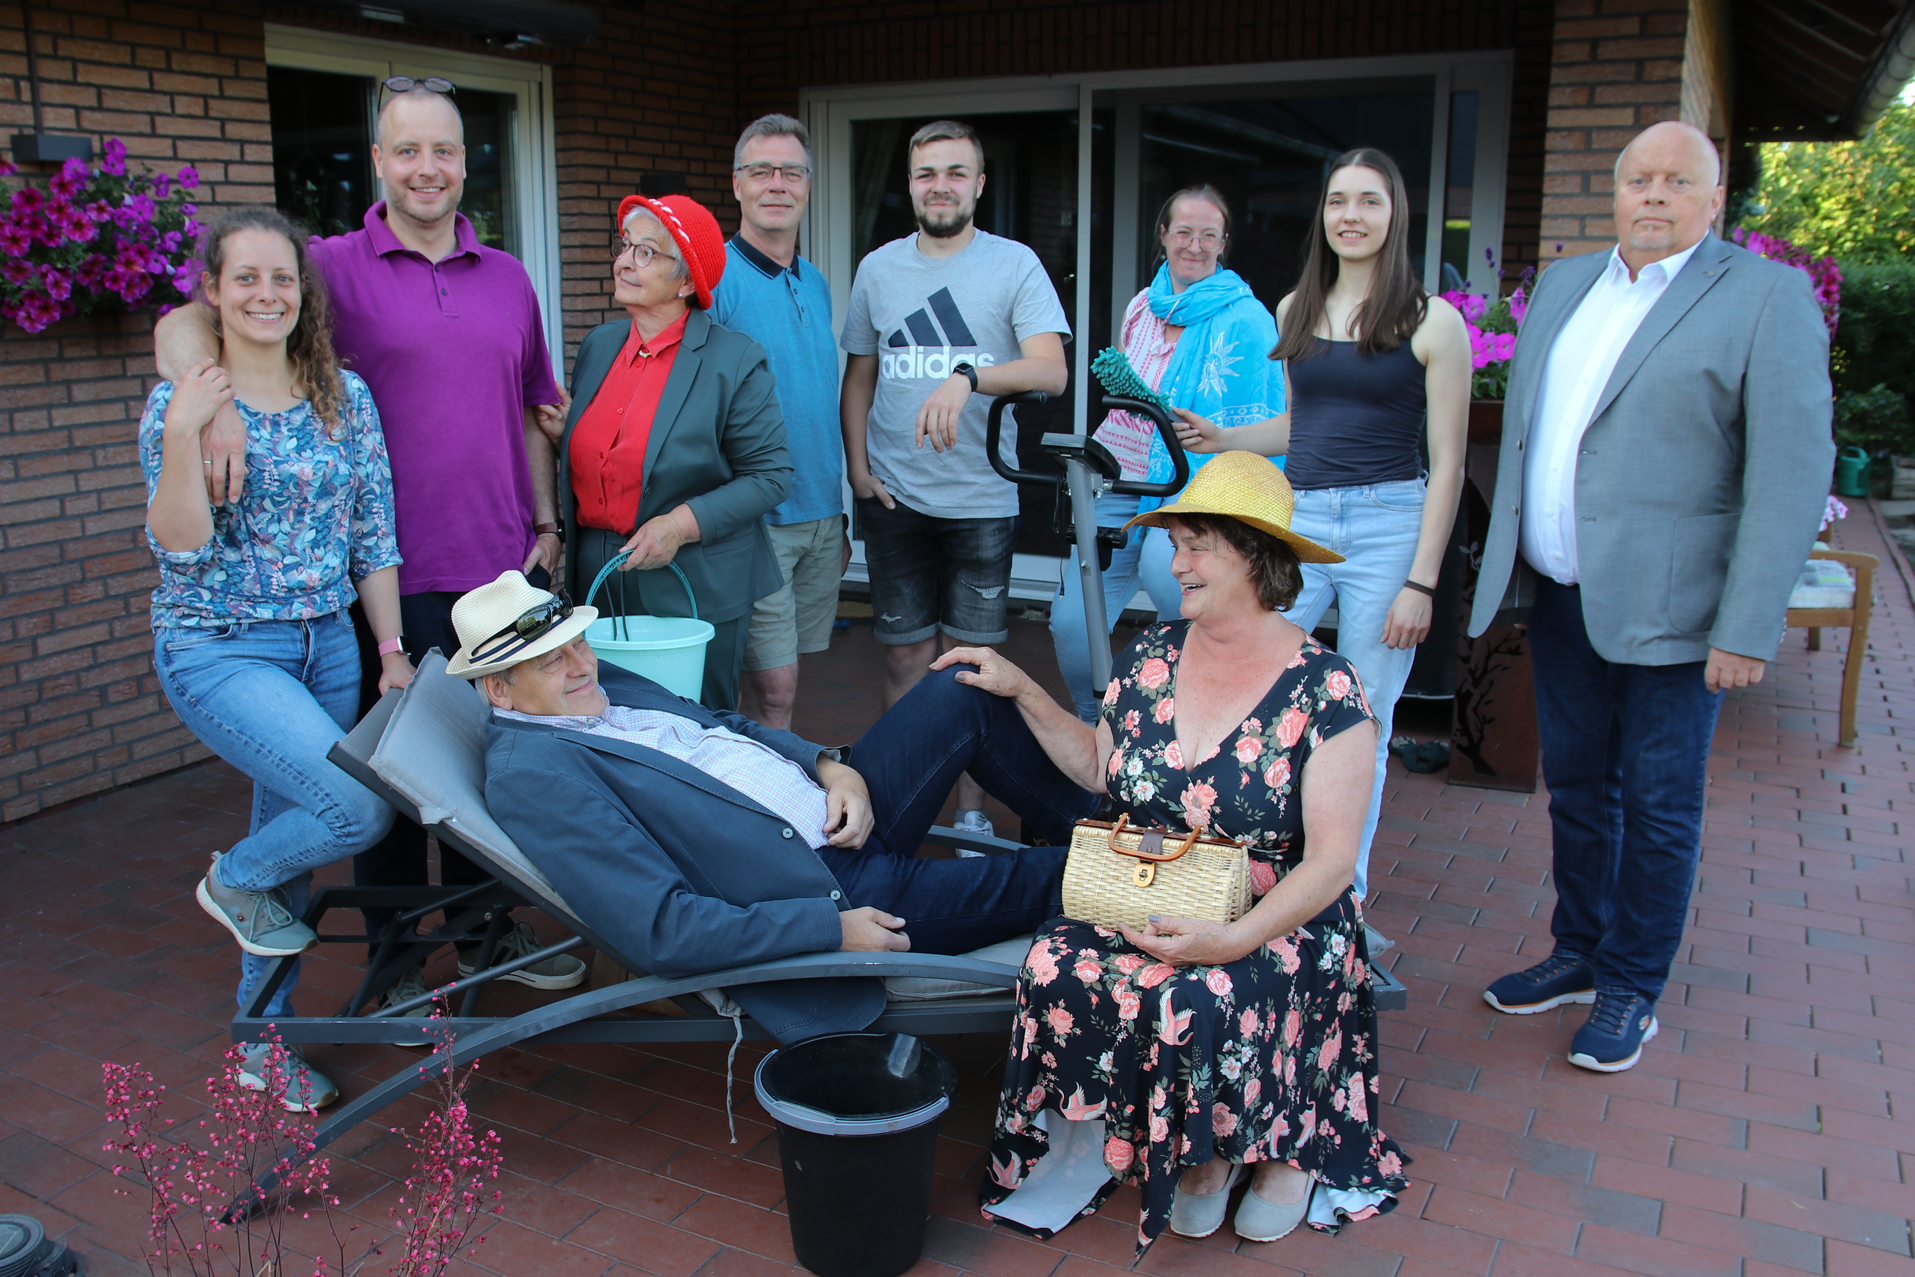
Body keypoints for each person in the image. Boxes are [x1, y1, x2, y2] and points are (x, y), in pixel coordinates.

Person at [152, 78, 585, 1007]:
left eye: (444, 150)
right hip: (375, 579)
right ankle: (394, 958)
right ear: (379, 160)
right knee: (389, 784)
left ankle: (484, 928)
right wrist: (207, 403)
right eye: (407, 150)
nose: (427, 168)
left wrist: (547, 526)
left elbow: (530, 411)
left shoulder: (508, 278)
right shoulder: (327, 267)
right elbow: (194, 316)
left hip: (500, 570)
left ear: (465, 162)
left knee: (493, 765)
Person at [968, 452, 1407, 1250]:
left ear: (1256, 555)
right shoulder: (1151, 653)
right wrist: (1023, 689)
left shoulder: (1327, 687)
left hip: (1278, 912)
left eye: (1197, 545)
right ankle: (1192, 1148)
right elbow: (1101, 767)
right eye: (1175, 543)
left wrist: (1232, 937)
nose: (1176, 564)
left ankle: (1280, 1142)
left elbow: (1331, 863)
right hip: (1153, 886)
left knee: (1200, 988)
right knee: (1054, 962)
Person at [1470, 121, 1834, 1072]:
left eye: (1678, 181)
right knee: (1576, 788)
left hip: (1682, 615)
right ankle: (1580, 950)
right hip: (1562, 594)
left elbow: (1790, 474)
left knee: (1659, 804)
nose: (1655, 195)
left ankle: (1631, 983)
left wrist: (1747, 625)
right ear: (1615, 191)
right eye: (1638, 179)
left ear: (1714, 199)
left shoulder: (1764, 298)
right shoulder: (1565, 286)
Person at [449, 571, 1101, 1044]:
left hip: (840, 806)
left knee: (961, 688)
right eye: (549, 660)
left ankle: (1111, 815)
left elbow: (722, 724)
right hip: (829, 889)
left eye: (577, 643)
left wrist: (829, 765)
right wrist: (831, 932)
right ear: (500, 690)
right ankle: (1140, 864)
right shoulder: (533, 777)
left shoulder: (594, 684)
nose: (579, 663)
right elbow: (662, 929)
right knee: (1077, 876)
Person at [142, 207, 409, 1112]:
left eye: (282, 277)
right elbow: (180, 545)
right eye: (246, 278)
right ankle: (231, 877)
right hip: (221, 647)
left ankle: (262, 1043)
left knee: (294, 842)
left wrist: (390, 651)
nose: (267, 294)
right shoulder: (183, 401)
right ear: (212, 293)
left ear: (304, 292)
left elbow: (373, 533)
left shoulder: (344, 394)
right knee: (352, 807)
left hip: (327, 643)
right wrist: (186, 431)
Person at [1173, 148, 1471, 903]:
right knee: (1249, 675)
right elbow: (1300, 428)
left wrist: (1420, 582)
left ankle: (1341, 901)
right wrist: (1225, 437)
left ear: (1394, 213)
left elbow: (1448, 464)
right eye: (1339, 201)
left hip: (1388, 526)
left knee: (1362, 717)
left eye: (1369, 201)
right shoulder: (1294, 311)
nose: (1351, 216)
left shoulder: (1433, 322)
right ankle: (1238, 871)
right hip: (1300, 516)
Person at [841, 118, 1071, 836]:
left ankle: (970, 817)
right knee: (904, 660)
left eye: (954, 173)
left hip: (980, 498)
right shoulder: (878, 268)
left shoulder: (1013, 264)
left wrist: (968, 376)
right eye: (925, 174)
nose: (939, 186)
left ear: (978, 184)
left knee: (970, 669)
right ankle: (899, 810)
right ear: (910, 185)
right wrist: (857, 467)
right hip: (895, 495)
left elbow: (1051, 370)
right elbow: (859, 375)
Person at [1048, 184, 1284, 721]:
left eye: (1208, 235)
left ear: (1223, 241)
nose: (1194, 245)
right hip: (1122, 478)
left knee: (1173, 589)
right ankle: (1096, 727)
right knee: (1072, 622)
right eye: (1183, 232)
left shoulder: (1249, 320)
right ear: (1163, 235)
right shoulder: (1142, 306)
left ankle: (1185, 723)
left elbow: (1262, 414)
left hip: (1193, 487)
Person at [553, 192, 791, 712]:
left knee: (695, 724)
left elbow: (771, 476)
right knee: (607, 718)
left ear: (687, 282)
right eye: (625, 246)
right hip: (598, 574)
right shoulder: (599, 345)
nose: (625, 261)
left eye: (646, 252)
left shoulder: (733, 359)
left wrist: (678, 526)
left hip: (694, 579)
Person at [709, 115, 849, 730]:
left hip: (819, 514)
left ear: (808, 186)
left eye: (791, 172)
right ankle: (759, 788)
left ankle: (756, 772)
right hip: (757, 520)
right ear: (737, 183)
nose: (777, 184)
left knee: (783, 681)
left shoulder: (813, 281)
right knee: (772, 688)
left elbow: (816, 398)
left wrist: (838, 519)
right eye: (761, 171)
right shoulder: (714, 279)